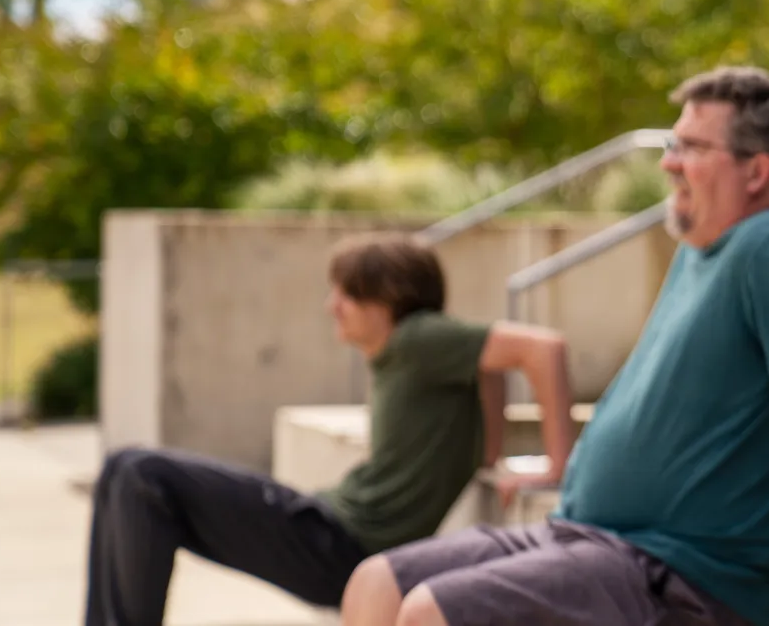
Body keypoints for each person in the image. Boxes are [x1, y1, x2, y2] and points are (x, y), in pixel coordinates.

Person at [337, 67, 769, 626]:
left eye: (692, 149)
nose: (669, 164)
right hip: (586, 537)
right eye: (671, 146)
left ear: (757, 171)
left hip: (675, 574)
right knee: (377, 582)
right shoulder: (706, 253)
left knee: (430, 614)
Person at [85, 234, 579, 626]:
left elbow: (542, 349)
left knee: (142, 475)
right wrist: (486, 453)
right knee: (121, 470)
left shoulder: (417, 337)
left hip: (341, 543)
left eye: (347, 292)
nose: (331, 304)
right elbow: (488, 366)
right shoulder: (418, 350)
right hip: (328, 526)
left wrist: (559, 467)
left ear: (389, 299)